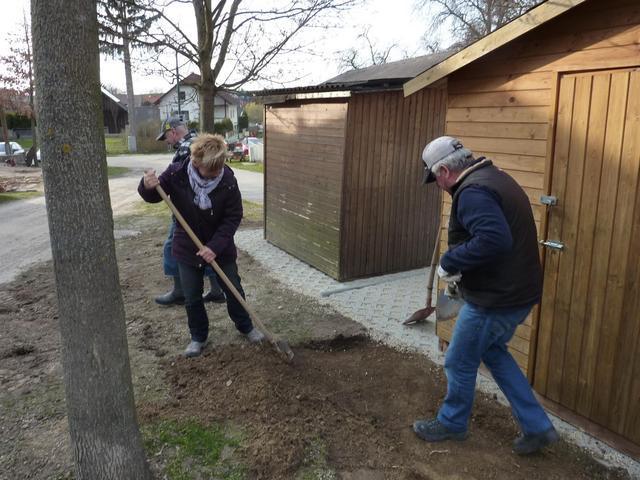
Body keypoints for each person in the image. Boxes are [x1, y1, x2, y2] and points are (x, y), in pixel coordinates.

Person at [413, 136, 558, 455]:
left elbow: (494, 240)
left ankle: (452, 422)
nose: (438, 186)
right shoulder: (494, 177)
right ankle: (537, 427)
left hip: (497, 298)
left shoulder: (474, 193)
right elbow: (493, 238)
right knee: (493, 352)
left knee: (459, 359)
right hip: (519, 292)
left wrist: (450, 261)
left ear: (443, 171)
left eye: (435, 179)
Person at [138, 133, 265, 357]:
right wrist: (147, 186)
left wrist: (214, 246)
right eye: (212, 169)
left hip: (221, 247)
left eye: (219, 167)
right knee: (192, 295)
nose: (217, 172)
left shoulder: (227, 180)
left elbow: (233, 216)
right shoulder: (177, 173)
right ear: (196, 163)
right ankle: (198, 337)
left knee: (233, 288)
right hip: (187, 246)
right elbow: (153, 196)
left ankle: (246, 327)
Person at [154, 117, 225, 306]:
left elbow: (182, 182)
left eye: (166, 137)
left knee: (172, 246)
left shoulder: (185, 149)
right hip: (206, 212)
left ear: (173, 133)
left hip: (189, 213)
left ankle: (179, 291)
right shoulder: (199, 141)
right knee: (206, 247)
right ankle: (217, 290)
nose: (167, 142)